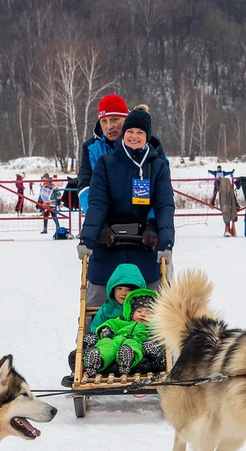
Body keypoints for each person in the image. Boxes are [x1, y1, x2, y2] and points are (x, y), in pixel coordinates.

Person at [78, 108, 175, 306]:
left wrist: (163, 238)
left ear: (147, 136)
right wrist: (88, 237)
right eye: (130, 131)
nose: (134, 137)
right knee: (98, 298)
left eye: (140, 133)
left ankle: (151, 337)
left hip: (146, 242)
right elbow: (97, 203)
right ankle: (92, 335)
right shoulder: (106, 164)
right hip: (108, 241)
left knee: (154, 301)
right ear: (124, 134)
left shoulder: (157, 166)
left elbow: (164, 205)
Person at [82, 289, 166, 376]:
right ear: (131, 313)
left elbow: (161, 337)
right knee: (106, 344)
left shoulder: (152, 328)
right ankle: (95, 361)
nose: (143, 315)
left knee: (133, 348)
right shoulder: (123, 323)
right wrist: (106, 330)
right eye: (139, 311)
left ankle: (126, 362)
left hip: (136, 341)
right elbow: (111, 323)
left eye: (149, 313)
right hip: (115, 338)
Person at [77, 94, 130, 213]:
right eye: (104, 121)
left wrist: (152, 222)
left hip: (143, 219)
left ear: (127, 119)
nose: (109, 126)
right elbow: (85, 187)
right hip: (103, 216)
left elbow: (162, 189)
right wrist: (96, 218)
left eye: (115, 119)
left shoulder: (148, 144)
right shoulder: (90, 148)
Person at [90, 263, 146, 332]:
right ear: (113, 290)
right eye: (119, 289)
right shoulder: (107, 309)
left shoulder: (140, 308)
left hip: (133, 340)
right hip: (110, 340)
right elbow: (96, 326)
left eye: (128, 290)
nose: (123, 293)